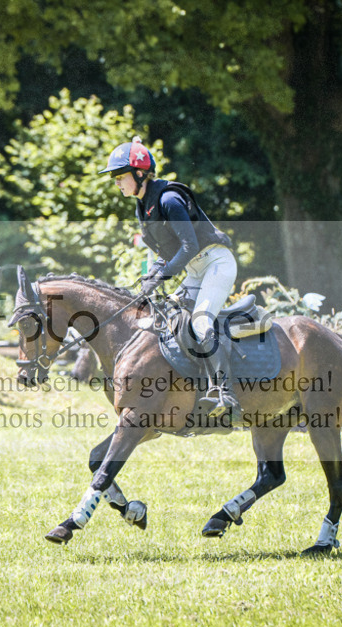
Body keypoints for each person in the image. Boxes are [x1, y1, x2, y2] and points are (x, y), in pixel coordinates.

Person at [99, 136, 240, 417]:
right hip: (196, 270)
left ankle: (226, 395)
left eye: (120, 176)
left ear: (139, 174)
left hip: (216, 264)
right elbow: (169, 250)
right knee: (167, 318)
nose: (116, 182)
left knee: (200, 324)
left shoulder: (169, 199)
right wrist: (153, 274)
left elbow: (190, 246)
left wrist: (162, 274)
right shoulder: (144, 205)